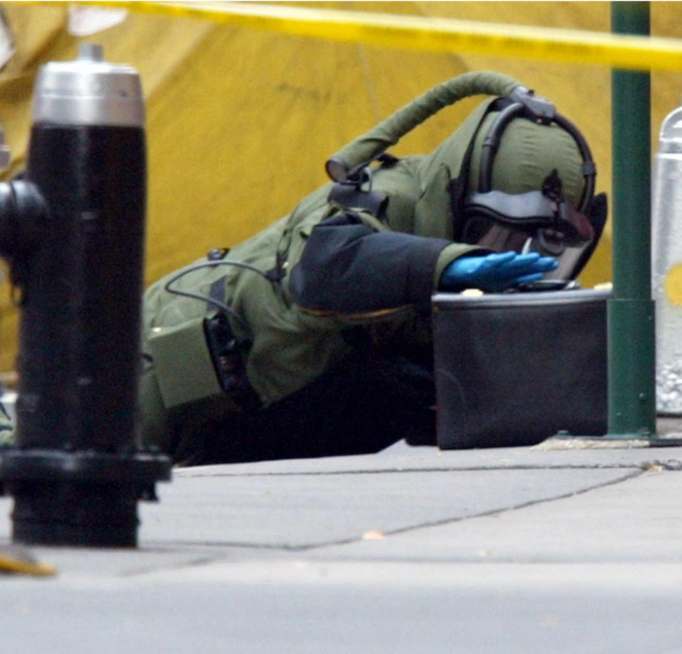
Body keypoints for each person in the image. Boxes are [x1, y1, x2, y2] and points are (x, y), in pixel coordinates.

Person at [141, 71, 608, 466]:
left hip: (252, 419)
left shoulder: (442, 248)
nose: (506, 255)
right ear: (460, 196)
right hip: (149, 387)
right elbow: (323, 273)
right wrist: (449, 264)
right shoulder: (384, 197)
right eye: (498, 235)